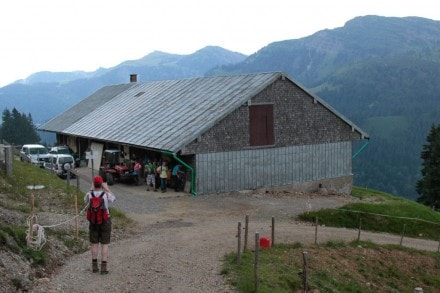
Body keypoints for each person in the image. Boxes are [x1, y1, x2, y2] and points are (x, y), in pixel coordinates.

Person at [84, 175, 116, 274]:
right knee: (104, 244)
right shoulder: (106, 194)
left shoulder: (90, 195)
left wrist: (91, 189)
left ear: (94, 184)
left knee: (94, 244)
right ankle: (103, 267)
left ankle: (94, 266)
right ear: (102, 184)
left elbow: (85, 200)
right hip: (105, 221)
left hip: (93, 222)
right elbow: (114, 199)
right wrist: (107, 189)